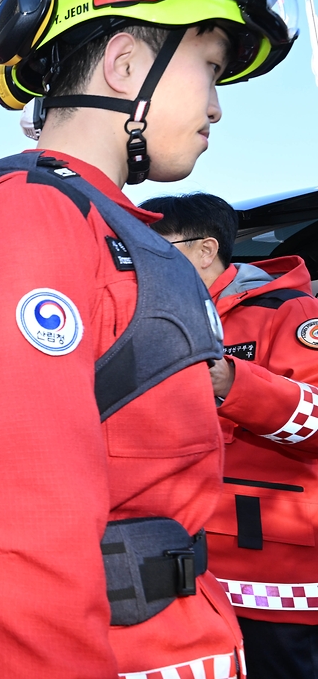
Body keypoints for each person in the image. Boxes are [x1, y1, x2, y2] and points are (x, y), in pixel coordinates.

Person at [0, 0, 298, 676]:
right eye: (208, 67)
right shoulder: (30, 223)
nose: (216, 106)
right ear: (123, 66)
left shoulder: (108, 228)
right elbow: (19, 524)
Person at [146, 192, 318, 679]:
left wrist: (233, 382)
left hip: (269, 574)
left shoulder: (288, 311)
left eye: (158, 247)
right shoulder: (153, 319)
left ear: (206, 249)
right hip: (180, 561)